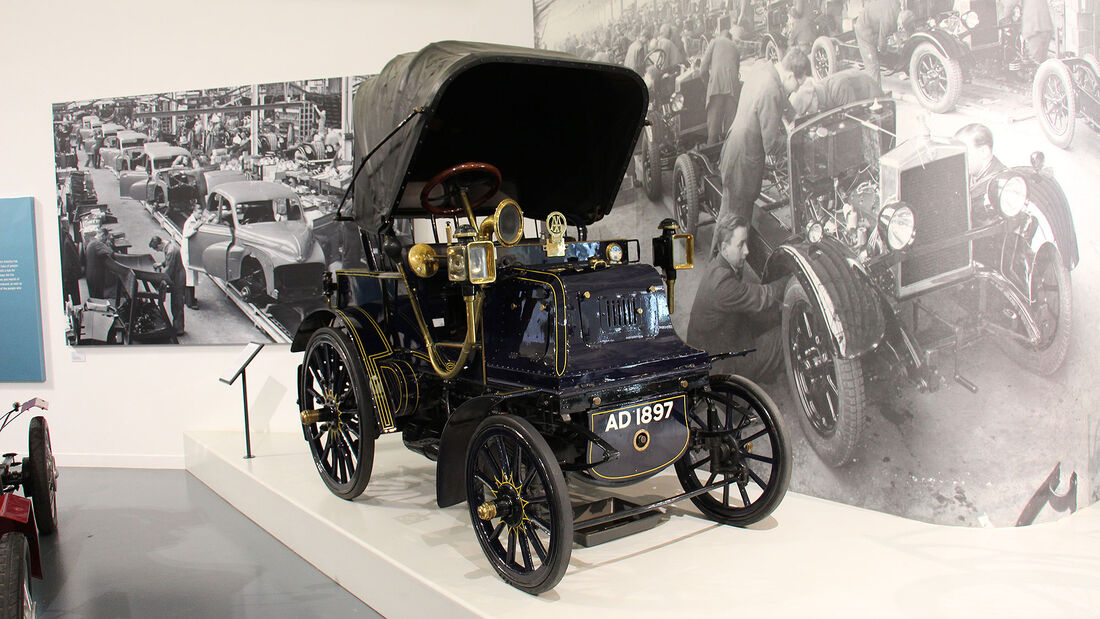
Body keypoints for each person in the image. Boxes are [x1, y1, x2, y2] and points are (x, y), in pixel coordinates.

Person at [718, 48, 811, 232]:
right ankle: (721, 260)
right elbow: (771, 145)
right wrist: (799, 140)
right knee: (733, 226)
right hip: (743, 164)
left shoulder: (764, 68)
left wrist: (797, 117)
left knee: (729, 217)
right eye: (797, 86)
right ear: (790, 76)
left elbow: (783, 98)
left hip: (734, 150)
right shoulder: (771, 91)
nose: (796, 91)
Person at [686, 217, 786, 383]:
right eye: (740, 245)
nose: (746, 251)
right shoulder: (722, 284)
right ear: (724, 248)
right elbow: (763, 295)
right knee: (783, 336)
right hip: (720, 368)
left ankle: (771, 368)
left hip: (719, 348)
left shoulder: (719, 266)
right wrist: (793, 279)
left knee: (773, 316)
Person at [699, 17, 742, 145]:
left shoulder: (714, 42)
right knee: (730, 131)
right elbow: (737, 71)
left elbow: (702, 69)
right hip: (733, 90)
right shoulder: (735, 48)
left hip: (716, 87)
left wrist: (709, 85)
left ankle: (712, 157)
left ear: (720, 33)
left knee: (713, 130)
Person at [789, 67, 883, 116]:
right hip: (861, 100)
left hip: (873, 98)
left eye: (808, 110)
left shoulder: (838, 88)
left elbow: (853, 115)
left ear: (814, 99)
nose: (809, 113)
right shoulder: (821, 90)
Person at [854, 0, 901, 86]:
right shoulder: (888, 19)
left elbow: (895, 32)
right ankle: (875, 95)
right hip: (863, 29)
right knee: (873, 66)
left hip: (873, 27)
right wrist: (885, 51)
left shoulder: (897, 5)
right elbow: (882, 42)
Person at [954, 123, 1006, 200]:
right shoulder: (971, 173)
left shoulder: (999, 188)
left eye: (963, 155)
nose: (957, 162)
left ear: (984, 152)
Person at [149, 235, 186, 336]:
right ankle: (177, 326)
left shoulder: (171, 251)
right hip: (176, 275)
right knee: (175, 303)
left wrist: (159, 279)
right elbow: (169, 262)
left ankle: (179, 330)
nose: (158, 251)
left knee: (177, 304)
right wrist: (161, 264)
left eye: (157, 248)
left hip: (178, 278)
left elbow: (169, 270)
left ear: (160, 244)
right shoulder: (169, 246)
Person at [181, 203, 213, 310]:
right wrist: (195, 227)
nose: (200, 215)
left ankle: (190, 299)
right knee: (189, 279)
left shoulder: (196, 220)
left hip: (193, 253)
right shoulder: (189, 222)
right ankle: (190, 302)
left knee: (192, 278)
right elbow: (186, 234)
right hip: (188, 253)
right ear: (193, 212)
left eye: (201, 213)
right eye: (199, 213)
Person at [84, 227, 114, 299]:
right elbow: (111, 252)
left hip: (90, 274)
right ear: (102, 235)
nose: (105, 240)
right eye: (105, 238)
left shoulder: (91, 241)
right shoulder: (97, 244)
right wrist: (108, 244)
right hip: (96, 276)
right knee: (98, 298)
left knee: (94, 297)